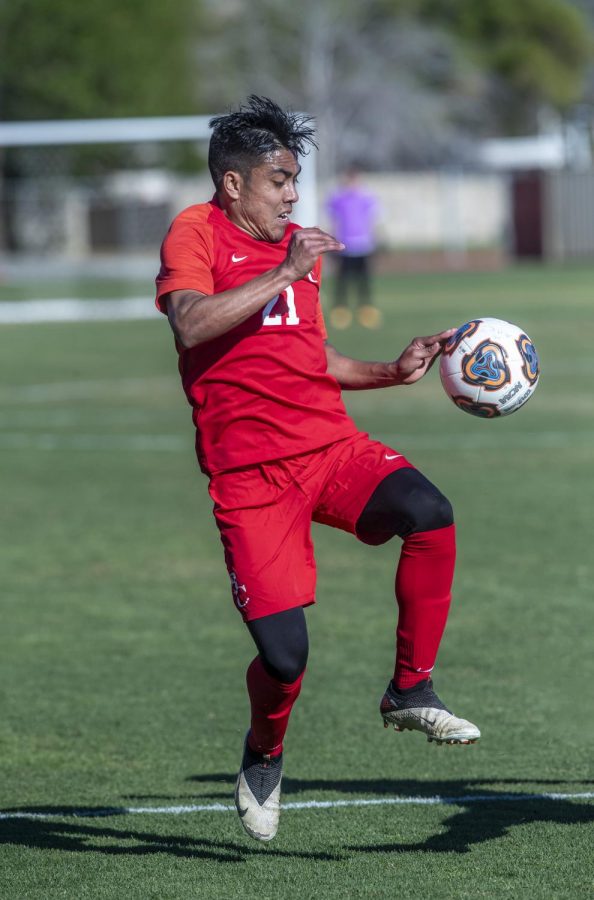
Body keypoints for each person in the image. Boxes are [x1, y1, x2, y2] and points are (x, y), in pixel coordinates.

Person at [155, 95, 480, 844]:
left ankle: (410, 687)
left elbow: (311, 360)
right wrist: (283, 270)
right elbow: (191, 321)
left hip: (328, 448)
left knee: (429, 512)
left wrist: (391, 372)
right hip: (248, 477)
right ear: (234, 185)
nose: (293, 194)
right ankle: (265, 752)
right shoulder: (195, 232)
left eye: (296, 179)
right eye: (279, 180)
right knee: (285, 657)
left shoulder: (299, 247)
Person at [326, 166, 381, 330]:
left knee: (363, 281)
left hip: (363, 245)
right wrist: (333, 241)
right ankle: (341, 311)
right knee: (342, 281)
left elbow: (372, 221)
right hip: (344, 245)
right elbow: (333, 221)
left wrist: (376, 240)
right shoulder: (338, 198)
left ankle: (366, 311)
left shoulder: (366, 197)